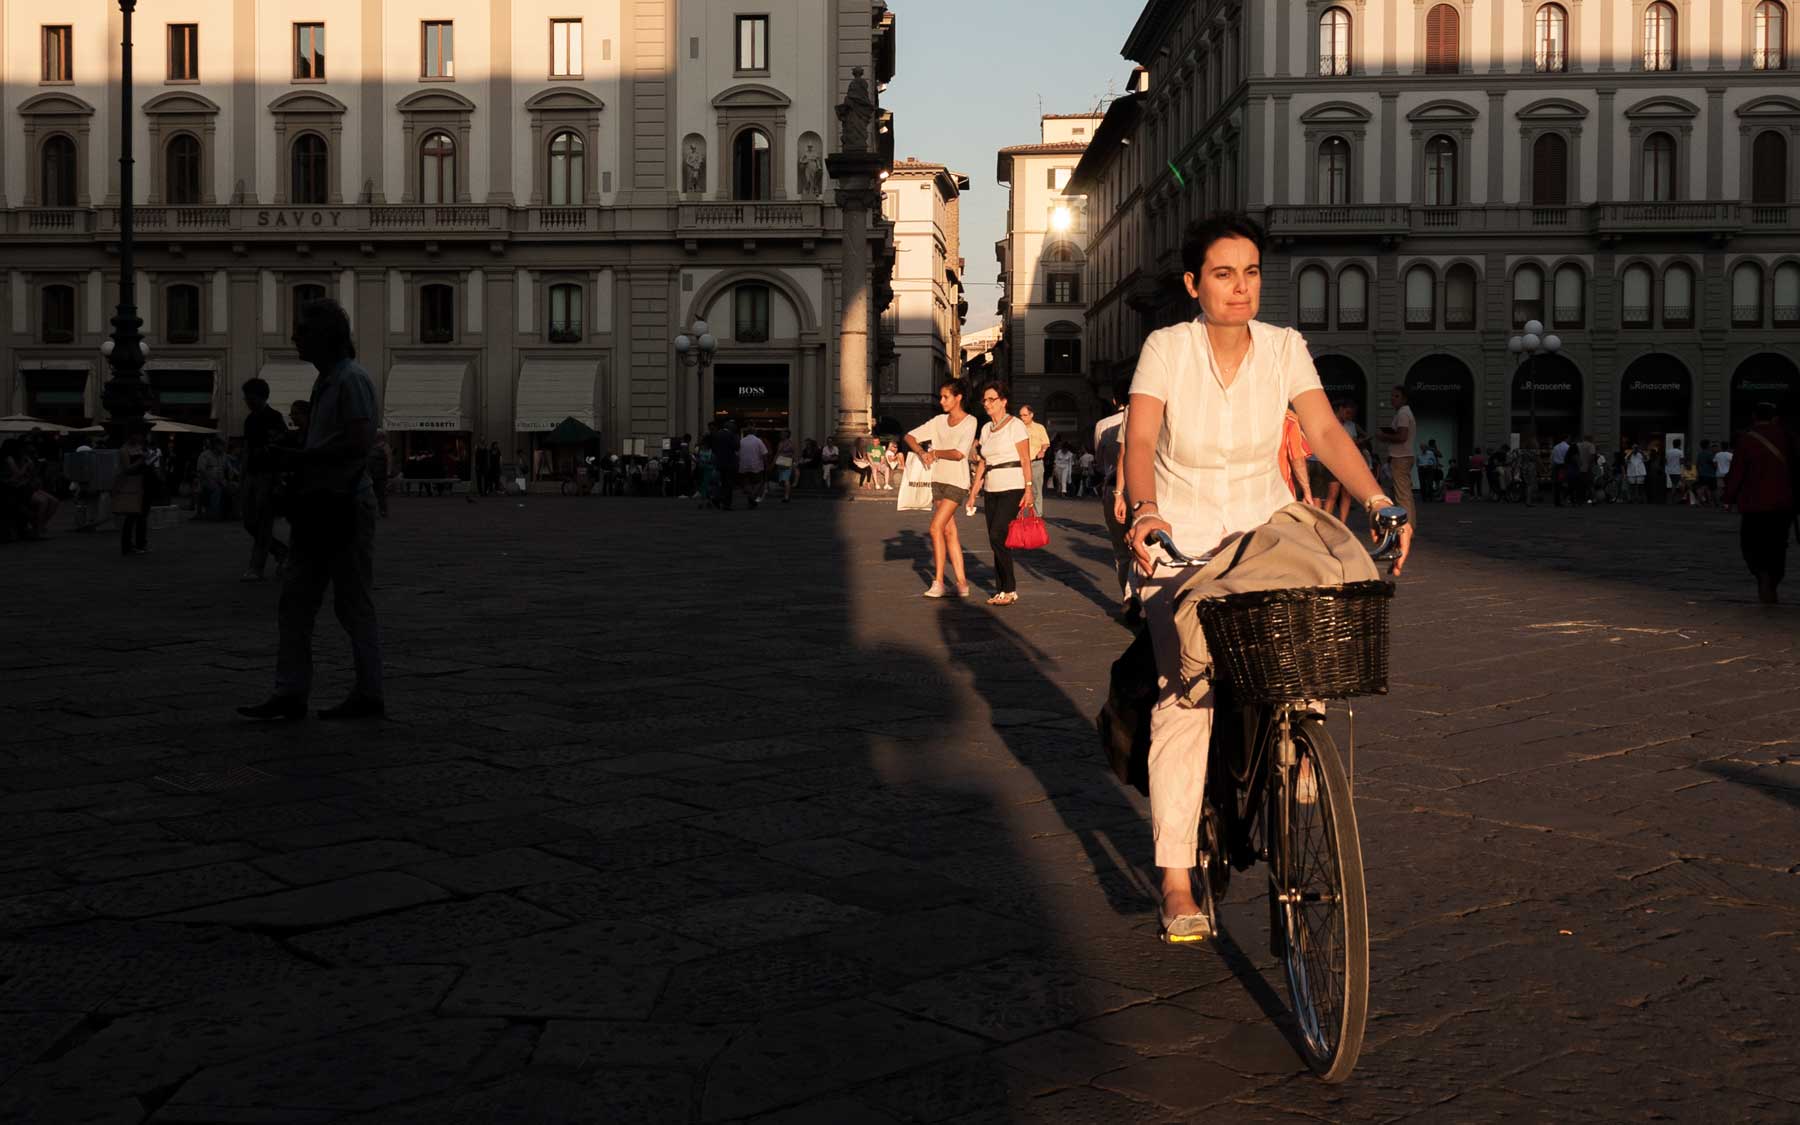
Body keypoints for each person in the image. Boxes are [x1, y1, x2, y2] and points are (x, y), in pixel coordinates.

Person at [1122, 213, 1411, 943]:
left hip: (1262, 535)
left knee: (1308, 631)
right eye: (1223, 273)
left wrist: (1379, 500)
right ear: (1194, 284)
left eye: (1250, 272)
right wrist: (1145, 508)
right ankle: (1177, 875)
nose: (1240, 286)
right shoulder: (1167, 347)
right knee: (1186, 695)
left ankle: (1294, 747)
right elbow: (1142, 437)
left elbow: (1322, 432)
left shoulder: (1285, 348)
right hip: (1180, 540)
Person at [239, 297, 385, 722]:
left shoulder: (350, 380)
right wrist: (293, 447)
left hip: (342, 505)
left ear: (327, 336)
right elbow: (333, 441)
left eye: (302, 330)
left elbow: (359, 443)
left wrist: (299, 457)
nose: (295, 337)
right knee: (296, 600)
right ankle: (290, 692)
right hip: (319, 505)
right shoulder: (328, 381)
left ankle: (368, 692)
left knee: (351, 602)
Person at [903, 379, 978, 598]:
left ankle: (938, 582)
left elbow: (959, 453)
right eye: (941, 396)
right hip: (937, 479)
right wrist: (921, 452)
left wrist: (934, 453)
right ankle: (962, 583)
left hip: (957, 481)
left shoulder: (970, 421)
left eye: (946, 396)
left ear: (958, 397)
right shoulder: (938, 421)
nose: (942, 400)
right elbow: (910, 436)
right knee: (948, 530)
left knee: (935, 528)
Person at [968, 381, 1035, 606]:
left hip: (1012, 485)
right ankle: (1001, 590)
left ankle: (1010, 588)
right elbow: (983, 462)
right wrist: (973, 490)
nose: (986, 404)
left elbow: (1025, 459)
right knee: (994, 538)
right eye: (984, 400)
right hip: (991, 488)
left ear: (1003, 401)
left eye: (991, 399)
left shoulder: (1015, 425)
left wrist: (1029, 488)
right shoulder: (986, 429)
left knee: (999, 534)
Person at [1722, 403, 1795, 604]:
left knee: (1751, 543)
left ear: (1754, 417)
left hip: (1754, 504)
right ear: (1775, 418)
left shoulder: (1746, 440)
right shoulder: (1787, 438)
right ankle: (1772, 580)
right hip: (1783, 503)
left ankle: (1762, 574)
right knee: (1778, 544)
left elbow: (1737, 473)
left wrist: (1728, 498)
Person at [240, 377, 292, 580]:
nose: (246, 400)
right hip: (252, 474)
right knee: (249, 521)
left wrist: (277, 478)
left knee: (263, 523)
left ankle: (256, 566)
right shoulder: (249, 419)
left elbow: (278, 448)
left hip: (268, 475)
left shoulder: (274, 417)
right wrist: (242, 476)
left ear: (260, 396)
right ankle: (281, 551)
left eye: (249, 396)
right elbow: (246, 449)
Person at [1093, 394, 1137, 617]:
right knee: (1145, 548)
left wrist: (1118, 493)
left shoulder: (1103, 425)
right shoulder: (1145, 413)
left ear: (1113, 400)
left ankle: (1129, 597)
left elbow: (1103, 461)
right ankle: (1143, 598)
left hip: (1114, 487)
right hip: (1144, 491)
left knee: (1122, 551)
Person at [1378, 386, 1417, 528]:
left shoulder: (1403, 414)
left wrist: (1384, 436)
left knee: (1402, 495)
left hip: (1401, 457)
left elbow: (1402, 436)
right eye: (1392, 396)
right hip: (1401, 456)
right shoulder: (1404, 413)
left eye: (1396, 396)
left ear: (1404, 398)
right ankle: (1408, 525)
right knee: (1403, 494)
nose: (1392, 399)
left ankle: (1407, 528)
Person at [1324, 400, 1361, 522]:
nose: (1349, 416)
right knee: (1333, 494)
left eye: (1351, 414)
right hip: (1334, 462)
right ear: (1341, 409)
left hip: (1348, 462)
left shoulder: (1350, 425)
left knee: (1346, 493)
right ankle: (1326, 522)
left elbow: (1354, 442)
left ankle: (1343, 523)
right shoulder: (1331, 422)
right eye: (1347, 412)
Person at [114, 433, 151, 555]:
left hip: (142, 484)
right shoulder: (124, 450)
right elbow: (126, 469)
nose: (141, 437)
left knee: (142, 516)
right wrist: (142, 460)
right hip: (132, 485)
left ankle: (140, 544)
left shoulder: (139, 447)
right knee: (131, 516)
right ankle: (127, 546)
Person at [1277, 407, 1314, 504]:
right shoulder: (1287, 418)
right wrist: (1307, 491)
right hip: (1278, 492)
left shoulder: (1236, 412)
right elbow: (1297, 459)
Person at [1019, 404, 1050, 512]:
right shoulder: (1017, 428)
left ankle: (1037, 516)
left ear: (1031, 415)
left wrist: (1043, 451)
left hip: (1035, 463)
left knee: (1036, 491)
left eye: (1025, 415)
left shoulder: (1039, 428)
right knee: (1018, 490)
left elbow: (1046, 443)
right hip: (1020, 464)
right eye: (1021, 415)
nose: (1022, 418)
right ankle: (1017, 515)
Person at [708, 420, 741, 509]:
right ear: (730, 427)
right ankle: (726, 503)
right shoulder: (732, 435)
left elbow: (713, 449)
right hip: (730, 463)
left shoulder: (717, 434)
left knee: (722, 482)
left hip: (720, 462)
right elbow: (736, 447)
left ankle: (717, 498)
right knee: (728, 484)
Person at [738, 424, 769, 509]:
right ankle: (752, 496)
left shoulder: (742, 441)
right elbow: (765, 454)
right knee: (758, 482)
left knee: (746, 482)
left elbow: (737, 454)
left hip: (743, 465)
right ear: (755, 432)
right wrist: (766, 465)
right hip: (756, 466)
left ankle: (750, 498)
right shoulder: (758, 441)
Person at [367, 431, 393, 517]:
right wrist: (388, 473)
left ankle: (373, 511)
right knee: (381, 494)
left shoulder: (371, 447)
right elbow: (389, 461)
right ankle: (383, 511)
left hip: (372, 474)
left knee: (372, 494)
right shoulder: (386, 447)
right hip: (381, 475)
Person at [775, 431, 798, 502]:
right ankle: (786, 495)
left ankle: (786, 496)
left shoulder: (781, 443)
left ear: (785, 435)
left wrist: (774, 462)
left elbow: (778, 453)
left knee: (785, 479)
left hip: (783, 461)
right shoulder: (791, 443)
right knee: (785, 479)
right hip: (787, 461)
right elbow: (794, 453)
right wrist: (794, 461)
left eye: (782, 434)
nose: (780, 435)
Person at [1714, 442, 1734, 510]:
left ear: (1721, 447)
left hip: (1719, 473)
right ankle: (1726, 504)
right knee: (1727, 489)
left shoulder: (1717, 454)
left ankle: (1718, 503)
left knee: (1719, 489)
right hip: (1728, 474)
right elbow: (1732, 465)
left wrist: (1719, 468)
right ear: (1727, 447)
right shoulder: (1730, 455)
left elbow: (1715, 464)